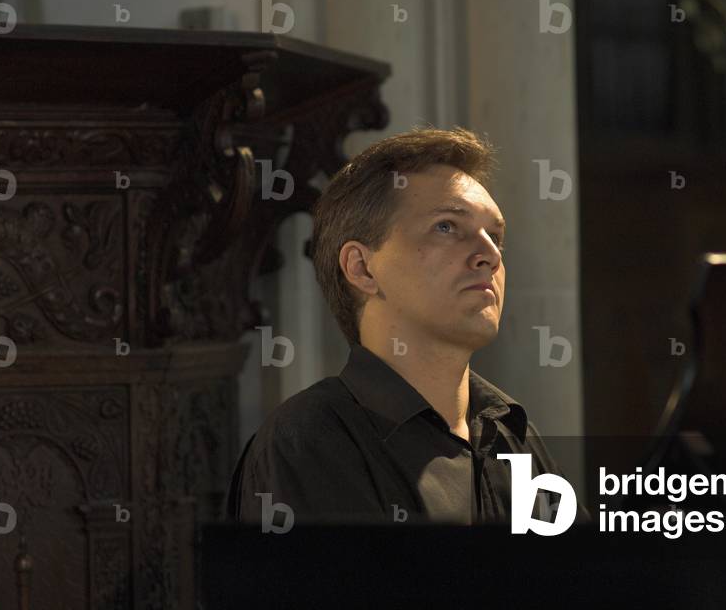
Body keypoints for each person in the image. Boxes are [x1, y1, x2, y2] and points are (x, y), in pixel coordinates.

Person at [228, 127, 587, 526]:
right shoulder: (307, 441)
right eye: (447, 226)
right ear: (362, 268)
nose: (489, 254)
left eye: (496, 237)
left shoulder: (513, 436)